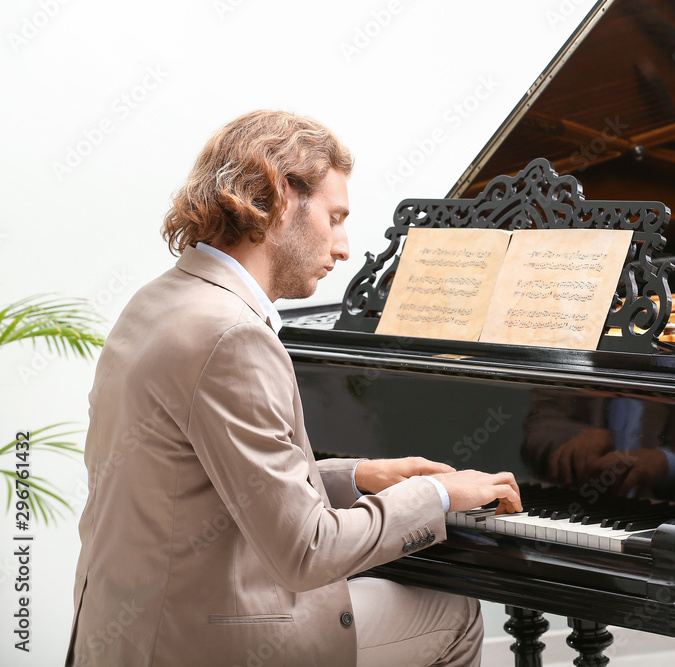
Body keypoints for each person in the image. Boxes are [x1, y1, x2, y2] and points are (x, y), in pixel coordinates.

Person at [66, 110, 522, 667]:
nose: (344, 247)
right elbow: (307, 552)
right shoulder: (232, 335)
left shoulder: (159, 301)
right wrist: (440, 497)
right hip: (201, 644)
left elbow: (208, 485)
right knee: (453, 615)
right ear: (282, 197)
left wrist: (357, 477)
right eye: (334, 218)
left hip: (127, 631)